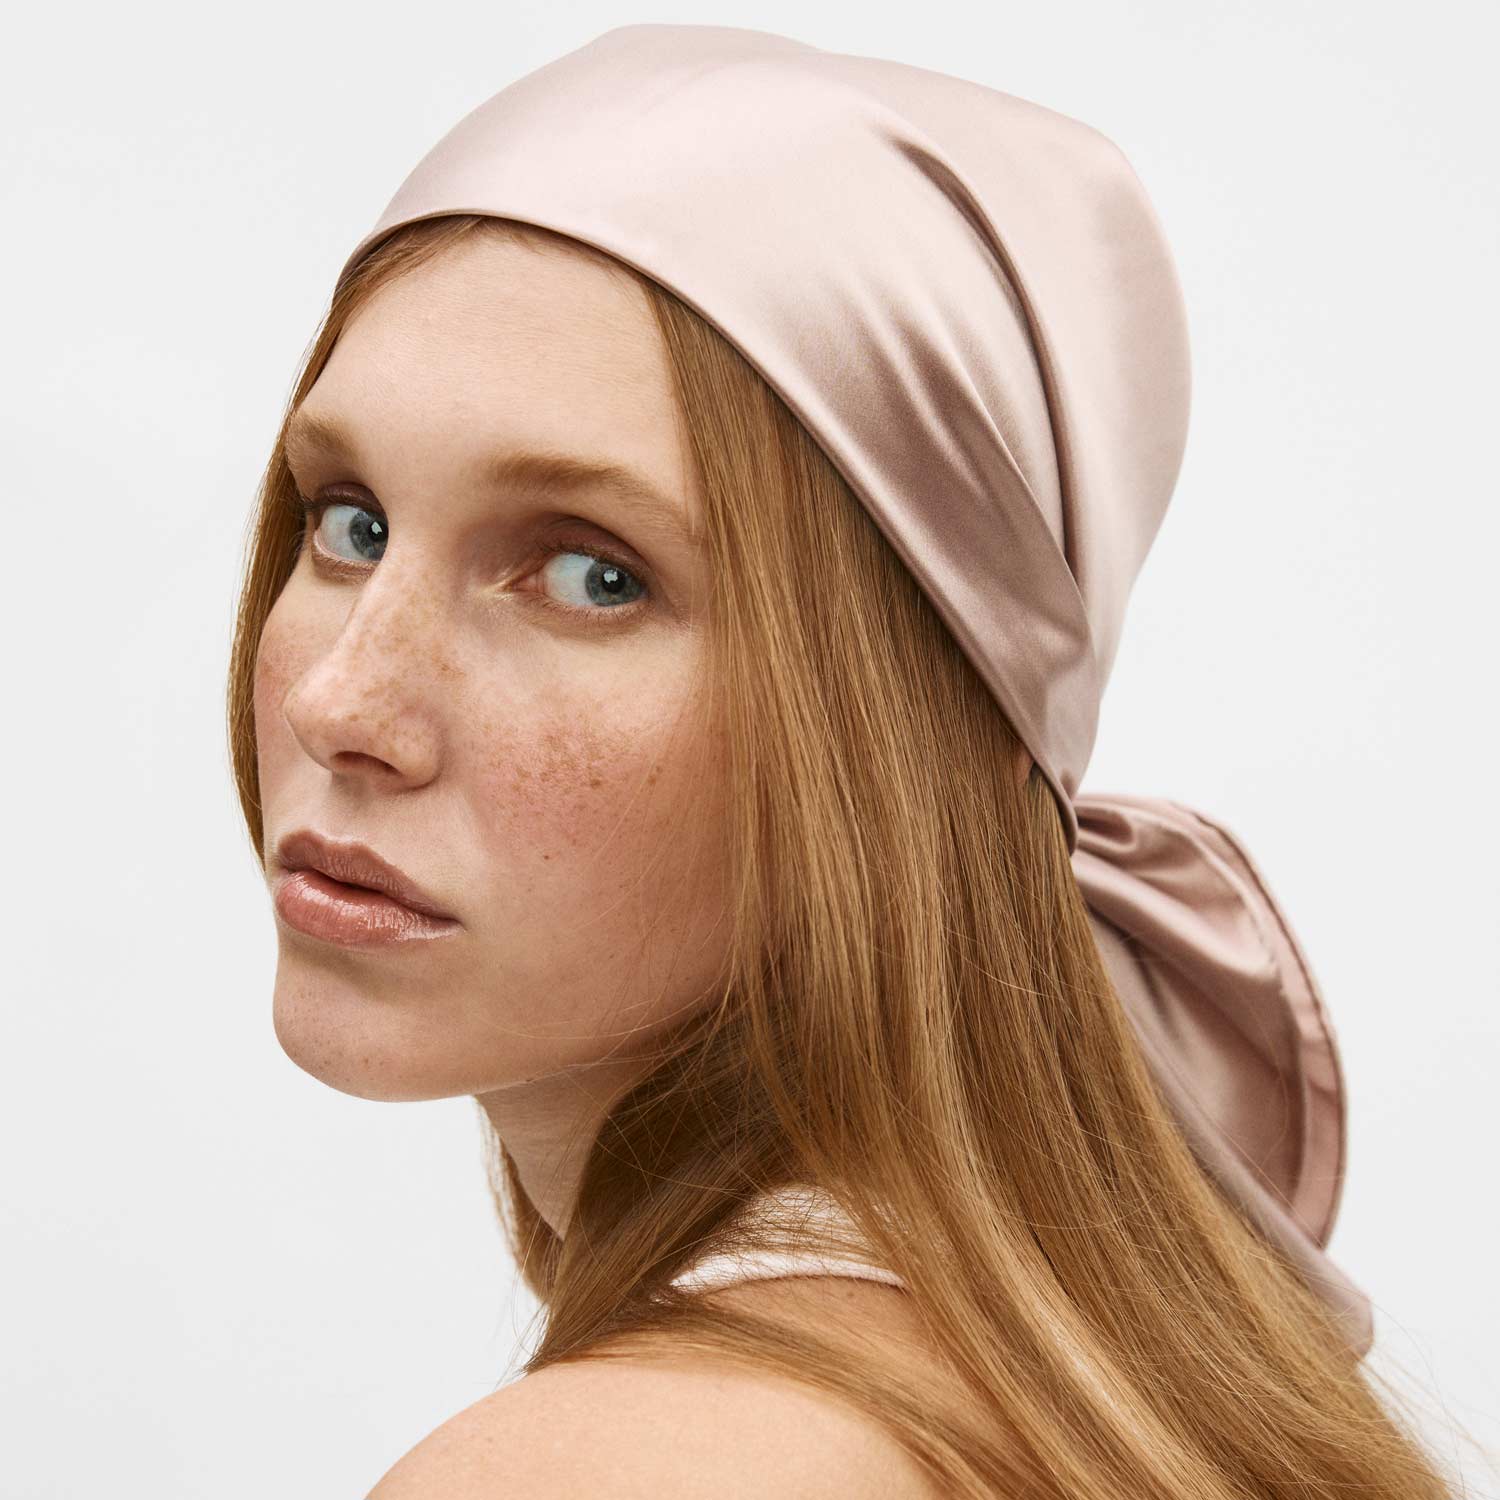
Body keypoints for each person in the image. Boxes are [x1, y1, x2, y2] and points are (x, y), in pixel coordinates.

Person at [226, 24, 1472, 1500]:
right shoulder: (1074, 1379)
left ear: (921, 735)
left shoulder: (618, 1472)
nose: (348, 704)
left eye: (592, 575)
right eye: (350, 520)